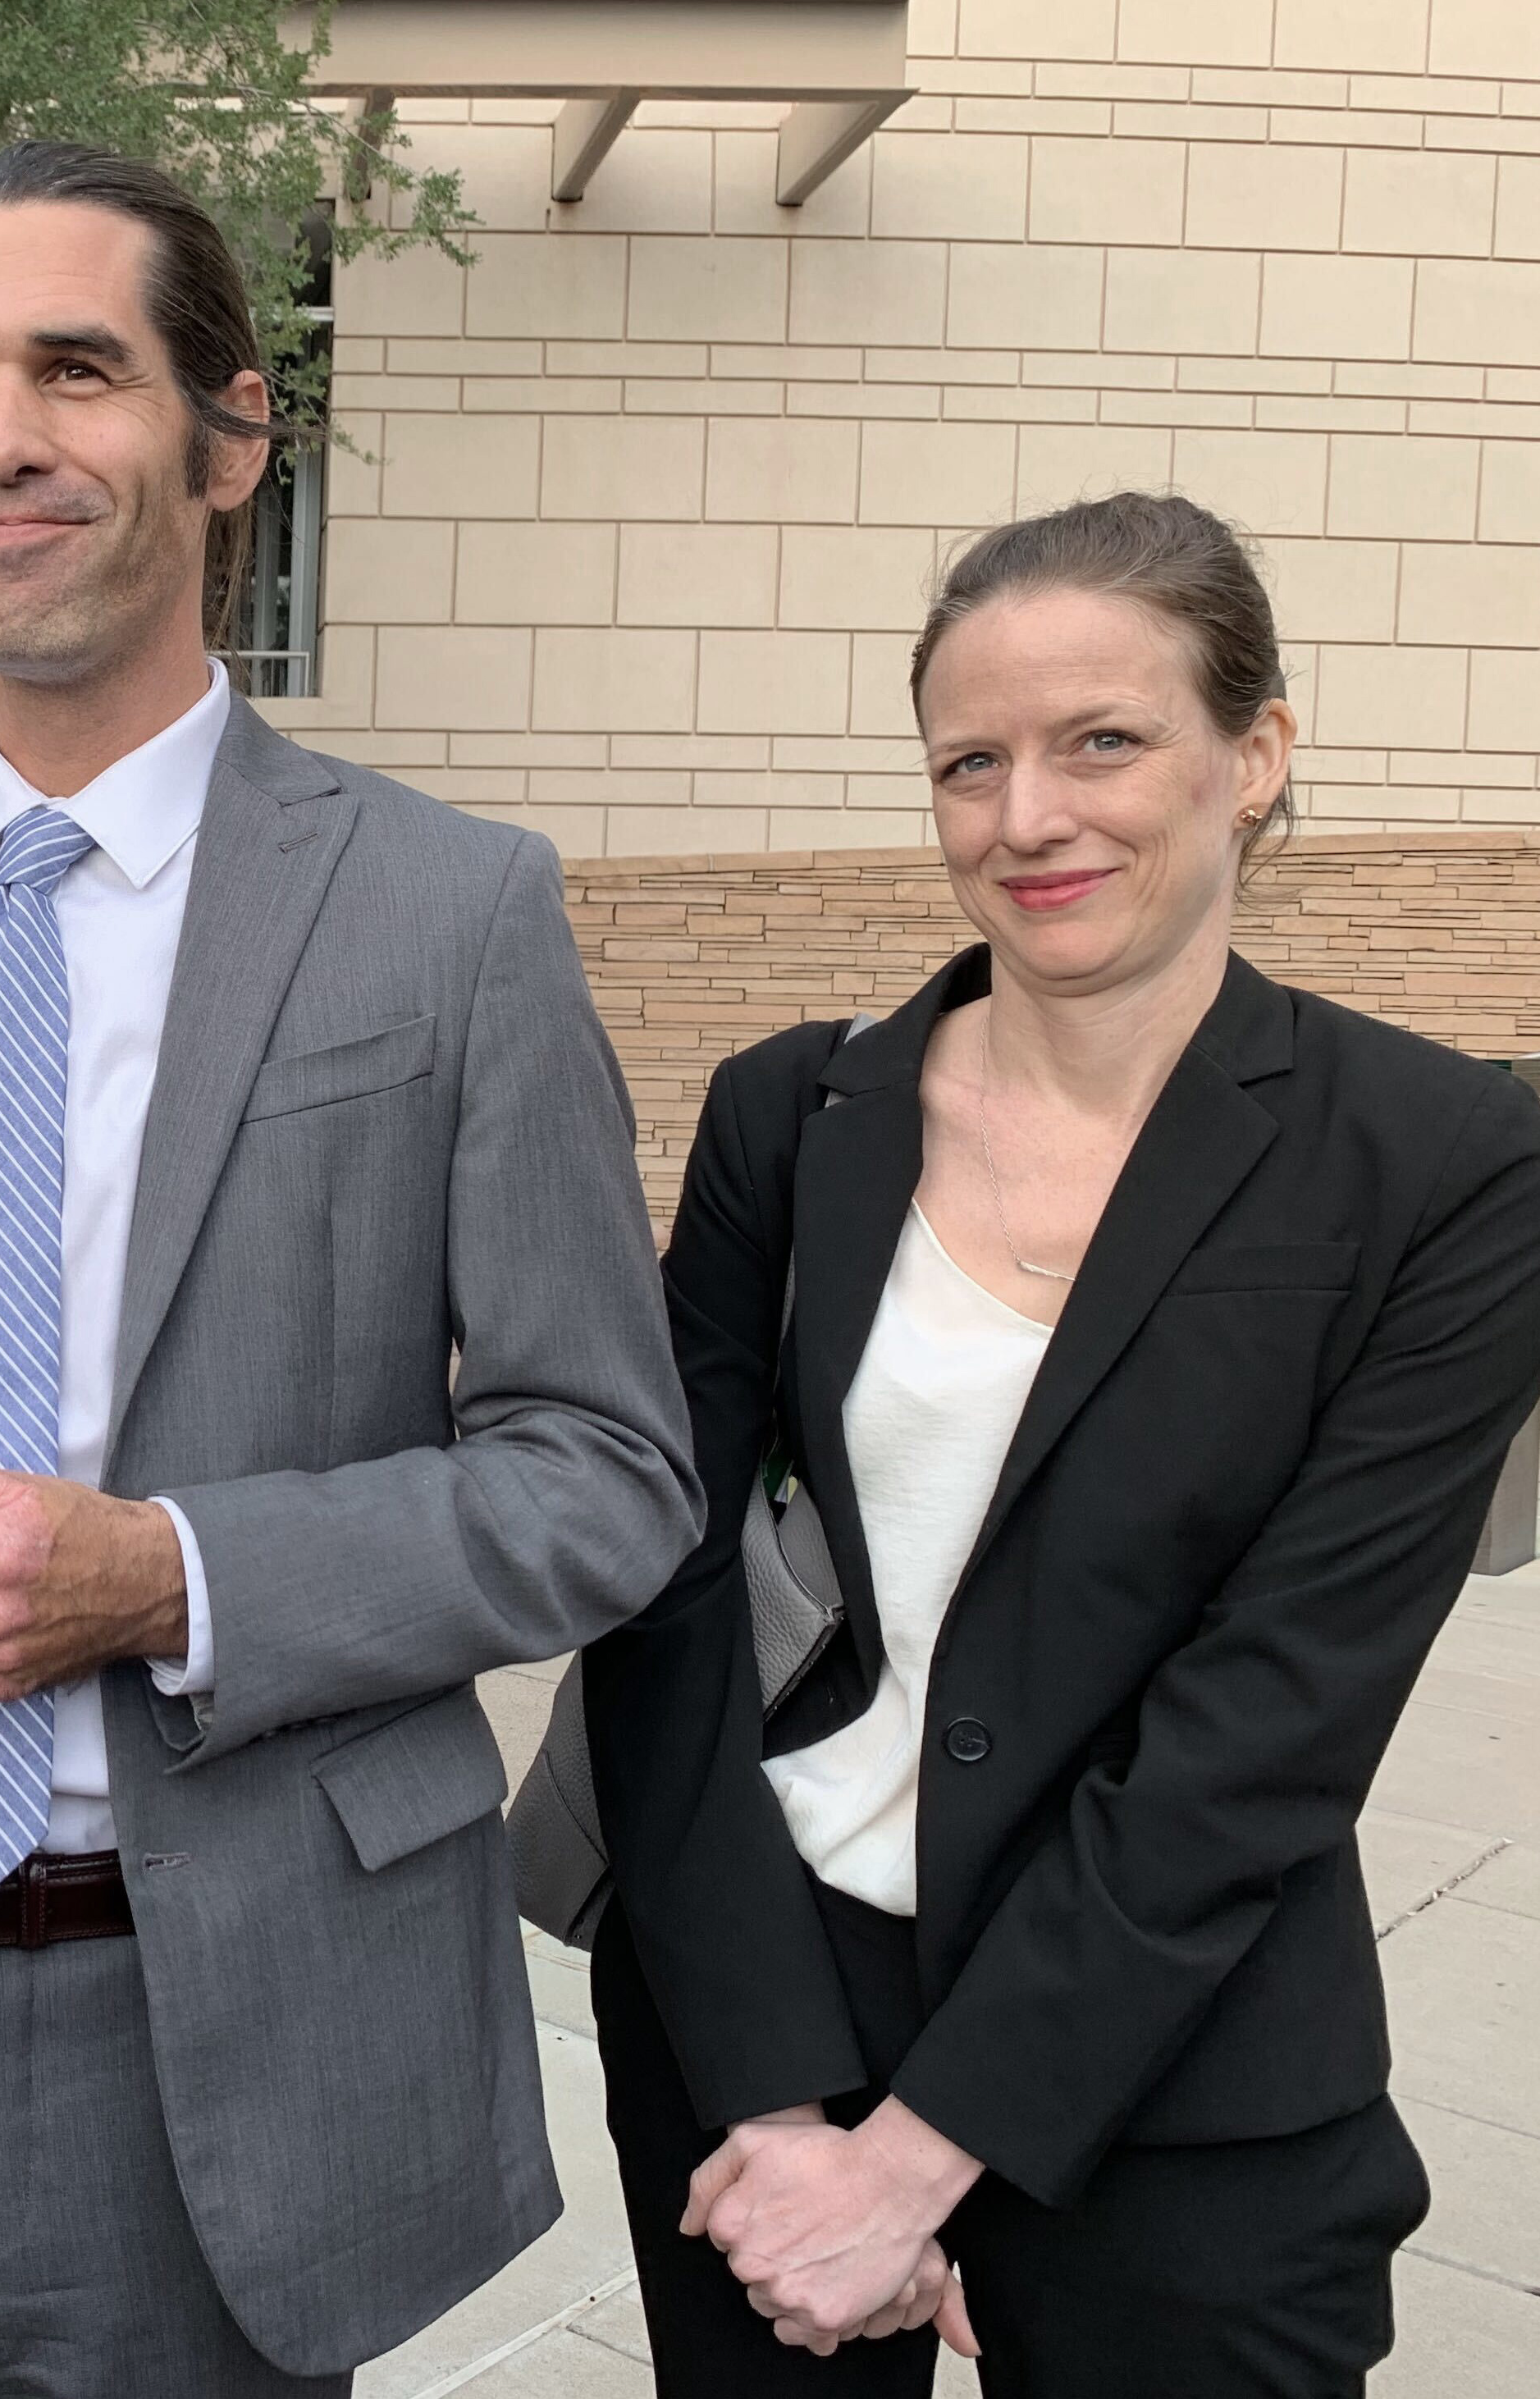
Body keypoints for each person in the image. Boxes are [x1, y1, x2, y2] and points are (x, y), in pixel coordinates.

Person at [0, 141, 700, 2398]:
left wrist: (165, 1575)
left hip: (210, 2003)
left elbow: (602, 1469)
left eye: (75, 369)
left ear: (230, 432)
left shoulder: (448, 914)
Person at [581, 491, 1540, 2397]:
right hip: (758, 2002)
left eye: (1101, 739)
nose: (1026, 817)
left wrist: (919, 2157)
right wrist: (777, 2103)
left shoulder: (1439, 1161)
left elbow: (1277, 1704)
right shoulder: (795, 1112)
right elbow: (662, 1592)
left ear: (1253, 754)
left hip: (1170, 2060)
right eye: (968, 760)